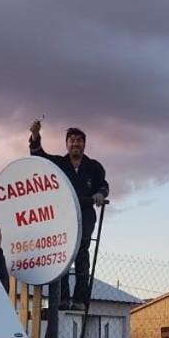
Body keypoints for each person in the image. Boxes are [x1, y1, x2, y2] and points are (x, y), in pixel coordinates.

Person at [28, 119, 108, 310]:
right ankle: (62, 298)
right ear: (67, 144)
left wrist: (100, 194)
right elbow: (38, 155)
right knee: (61, 254)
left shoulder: (94, 167)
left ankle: (80, 300)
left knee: (81, 254)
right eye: (71, 140)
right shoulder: (59, 163)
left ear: (84, 144)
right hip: (62, 216)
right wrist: (35, 135)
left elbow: (103, 185)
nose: (75, 144)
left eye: (79, 140)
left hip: (85, 216)